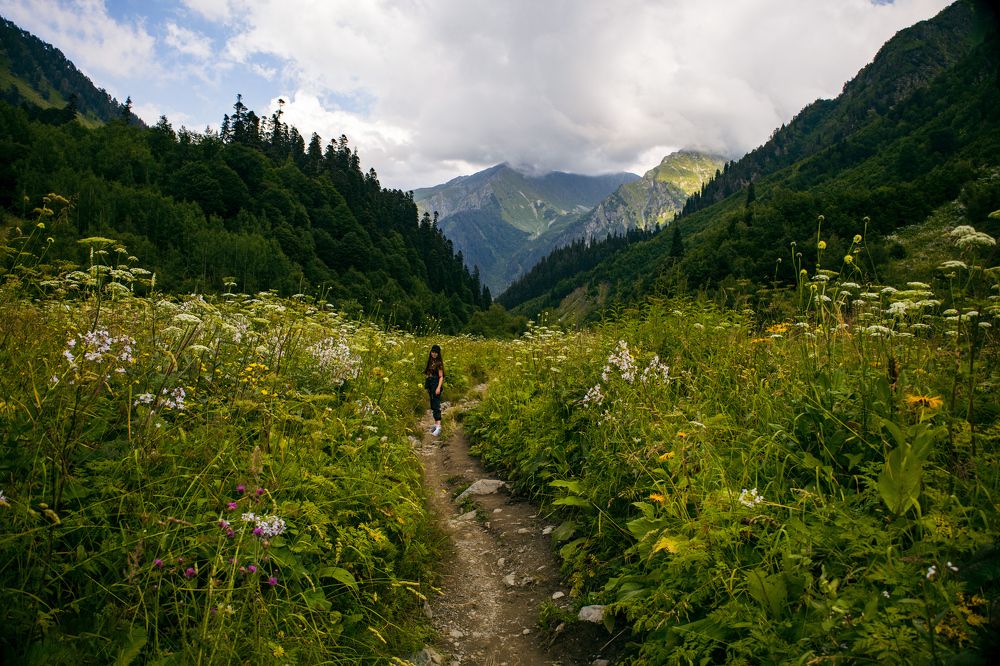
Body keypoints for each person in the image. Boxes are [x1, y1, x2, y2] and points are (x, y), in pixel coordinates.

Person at [424, 344, 444, 436]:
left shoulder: (439, 363)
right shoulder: (430, 361)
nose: (434, 354)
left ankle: (439, 426)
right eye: (433, 352)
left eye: (436, 352)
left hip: (436, 384)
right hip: (430, 385)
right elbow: (428, 374)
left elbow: (441, 377)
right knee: (432, 405)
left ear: (438, 353)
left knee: (436, 405)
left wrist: (438, 387)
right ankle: (436, 425)